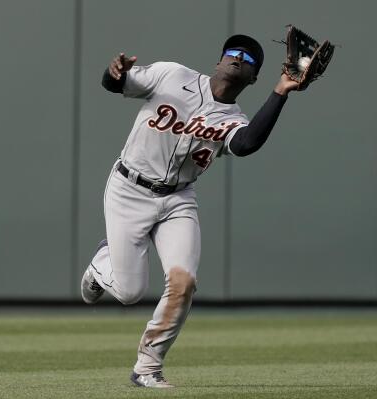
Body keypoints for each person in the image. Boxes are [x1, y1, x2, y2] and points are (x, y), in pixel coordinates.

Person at [81, 34, 300, 388]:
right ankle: (101, 264)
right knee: (128, 293)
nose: (238, 57)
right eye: (232, 51)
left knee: (184, 283)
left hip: (178, 200)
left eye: (248, 58)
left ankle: (148, 366)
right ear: (218, 61)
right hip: (128, 190)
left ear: (253, 78)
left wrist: (282, 90)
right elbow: (115, 84)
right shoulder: (171, 75)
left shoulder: (233, 119)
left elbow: (246, 144)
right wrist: (114, 72)